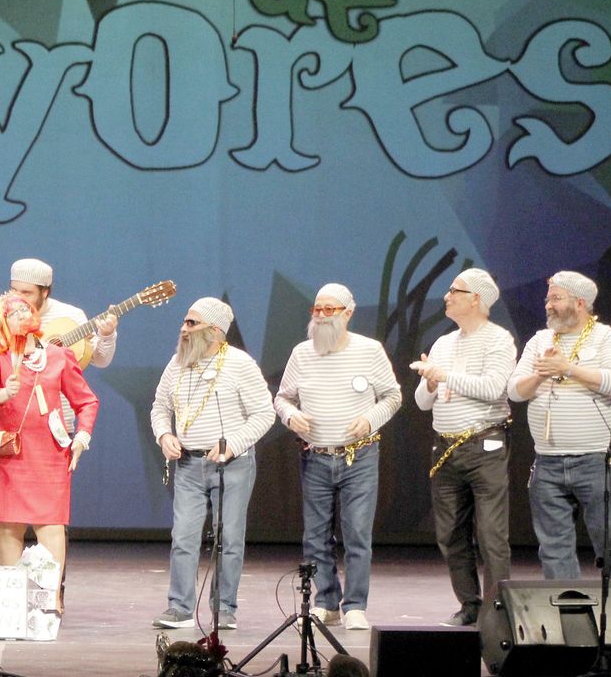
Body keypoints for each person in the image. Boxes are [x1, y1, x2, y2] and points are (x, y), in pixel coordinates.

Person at [274, 283, 402, 631]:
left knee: (357, 533)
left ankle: (356, 605)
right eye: (317, 309)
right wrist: (290, 417)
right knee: (315, 536)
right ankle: (326, 602)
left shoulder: (369, 350)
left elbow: (392, 396)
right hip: (315, 456)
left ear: (348, 312)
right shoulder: (302, 353)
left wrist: (369, 419)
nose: (321, 315)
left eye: (330, 309)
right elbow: (282, 398)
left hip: (358, 457)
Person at [149, 297, 273, 631]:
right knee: (183, 537)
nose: (183, 328)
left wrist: (232, 445)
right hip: (189, 463)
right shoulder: (176, 363)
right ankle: (179, 608)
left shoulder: (239, 363)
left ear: (215, 331)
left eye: (192, 323)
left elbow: (265, 413)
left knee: (228, 537)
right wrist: (164, 435)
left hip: (231, 464)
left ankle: (224, 608)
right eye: (184, 321)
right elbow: (159, 407)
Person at [0, 292, 98, 611]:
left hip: (49, 454)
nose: (23, 315)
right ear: (1, 320)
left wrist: (81, 437)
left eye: (27, 309)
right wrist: (1, 394)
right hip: (6, 454)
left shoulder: (56, 356)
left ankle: (50, 599)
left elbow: (87, 401)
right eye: (15, 312)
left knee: (51, 524)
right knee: (9, 523)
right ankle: (13, 600)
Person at [508, 271, 611, 582]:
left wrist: (567, 368)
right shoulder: (540, 340)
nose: (548, 305)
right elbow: (514, 390)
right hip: (548, 463)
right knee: (553, 550)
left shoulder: (607, 337)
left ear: (579, 303)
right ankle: (569, 620)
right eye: (547, 298)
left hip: (597, 461)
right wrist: (540, 375)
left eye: (555, 298)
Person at [409, 268, 517, 626]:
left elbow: (493, 388)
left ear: (477, 299)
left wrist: (444, 376)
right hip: (445, 449)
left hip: (485, 446)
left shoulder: (498, 339)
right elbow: (424, 403)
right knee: (450, 533)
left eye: (455, 290)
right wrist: (428, 381)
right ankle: (469, 603)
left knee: (490, 535)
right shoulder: (444, 342)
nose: (446, 296)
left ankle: (496, 610)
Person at [0, 257, 118, 370]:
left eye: (27, 292)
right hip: (8, 407)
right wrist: (0, 344)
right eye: (14, 290)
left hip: (58, 412)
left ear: (45, 292)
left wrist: (107, 335)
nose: (18, 298)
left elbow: (100, 361)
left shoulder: (72, 315)